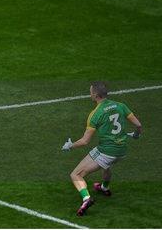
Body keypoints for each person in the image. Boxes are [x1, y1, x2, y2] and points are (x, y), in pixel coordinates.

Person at [61, 81, 142, 216]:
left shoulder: (95, 114)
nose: (90, 94)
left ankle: (86, 199)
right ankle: (104, 187)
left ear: (96, 95)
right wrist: (136, 135)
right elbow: (138, 125)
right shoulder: (121, 106)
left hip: (107, 151)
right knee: (106, 165)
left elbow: (85, 141)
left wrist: (70, 145)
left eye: (91, 92)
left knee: (76, 174)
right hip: (122, 151)